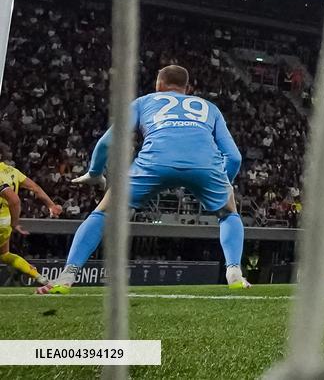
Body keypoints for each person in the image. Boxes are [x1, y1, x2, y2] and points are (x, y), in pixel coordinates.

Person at [37, 65, 250, 293]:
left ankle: (67, 276)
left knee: (103, 213)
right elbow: (234, 157)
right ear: (187, 88)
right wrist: (222, 182)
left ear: (158, 84)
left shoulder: (143, 102)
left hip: (154, 163)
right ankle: (234, 271)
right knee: (228, 213)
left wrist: (95, 173)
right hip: (206, 166)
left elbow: (108, 142)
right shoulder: (210, 108)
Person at [1, 161, 63, 287]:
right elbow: (35, 188)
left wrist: (15, 223)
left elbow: (14, 200)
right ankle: (39, 277)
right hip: (5, 222)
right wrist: (51, 205)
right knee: (4, 255)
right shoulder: (12, 171)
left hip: (5, 220)